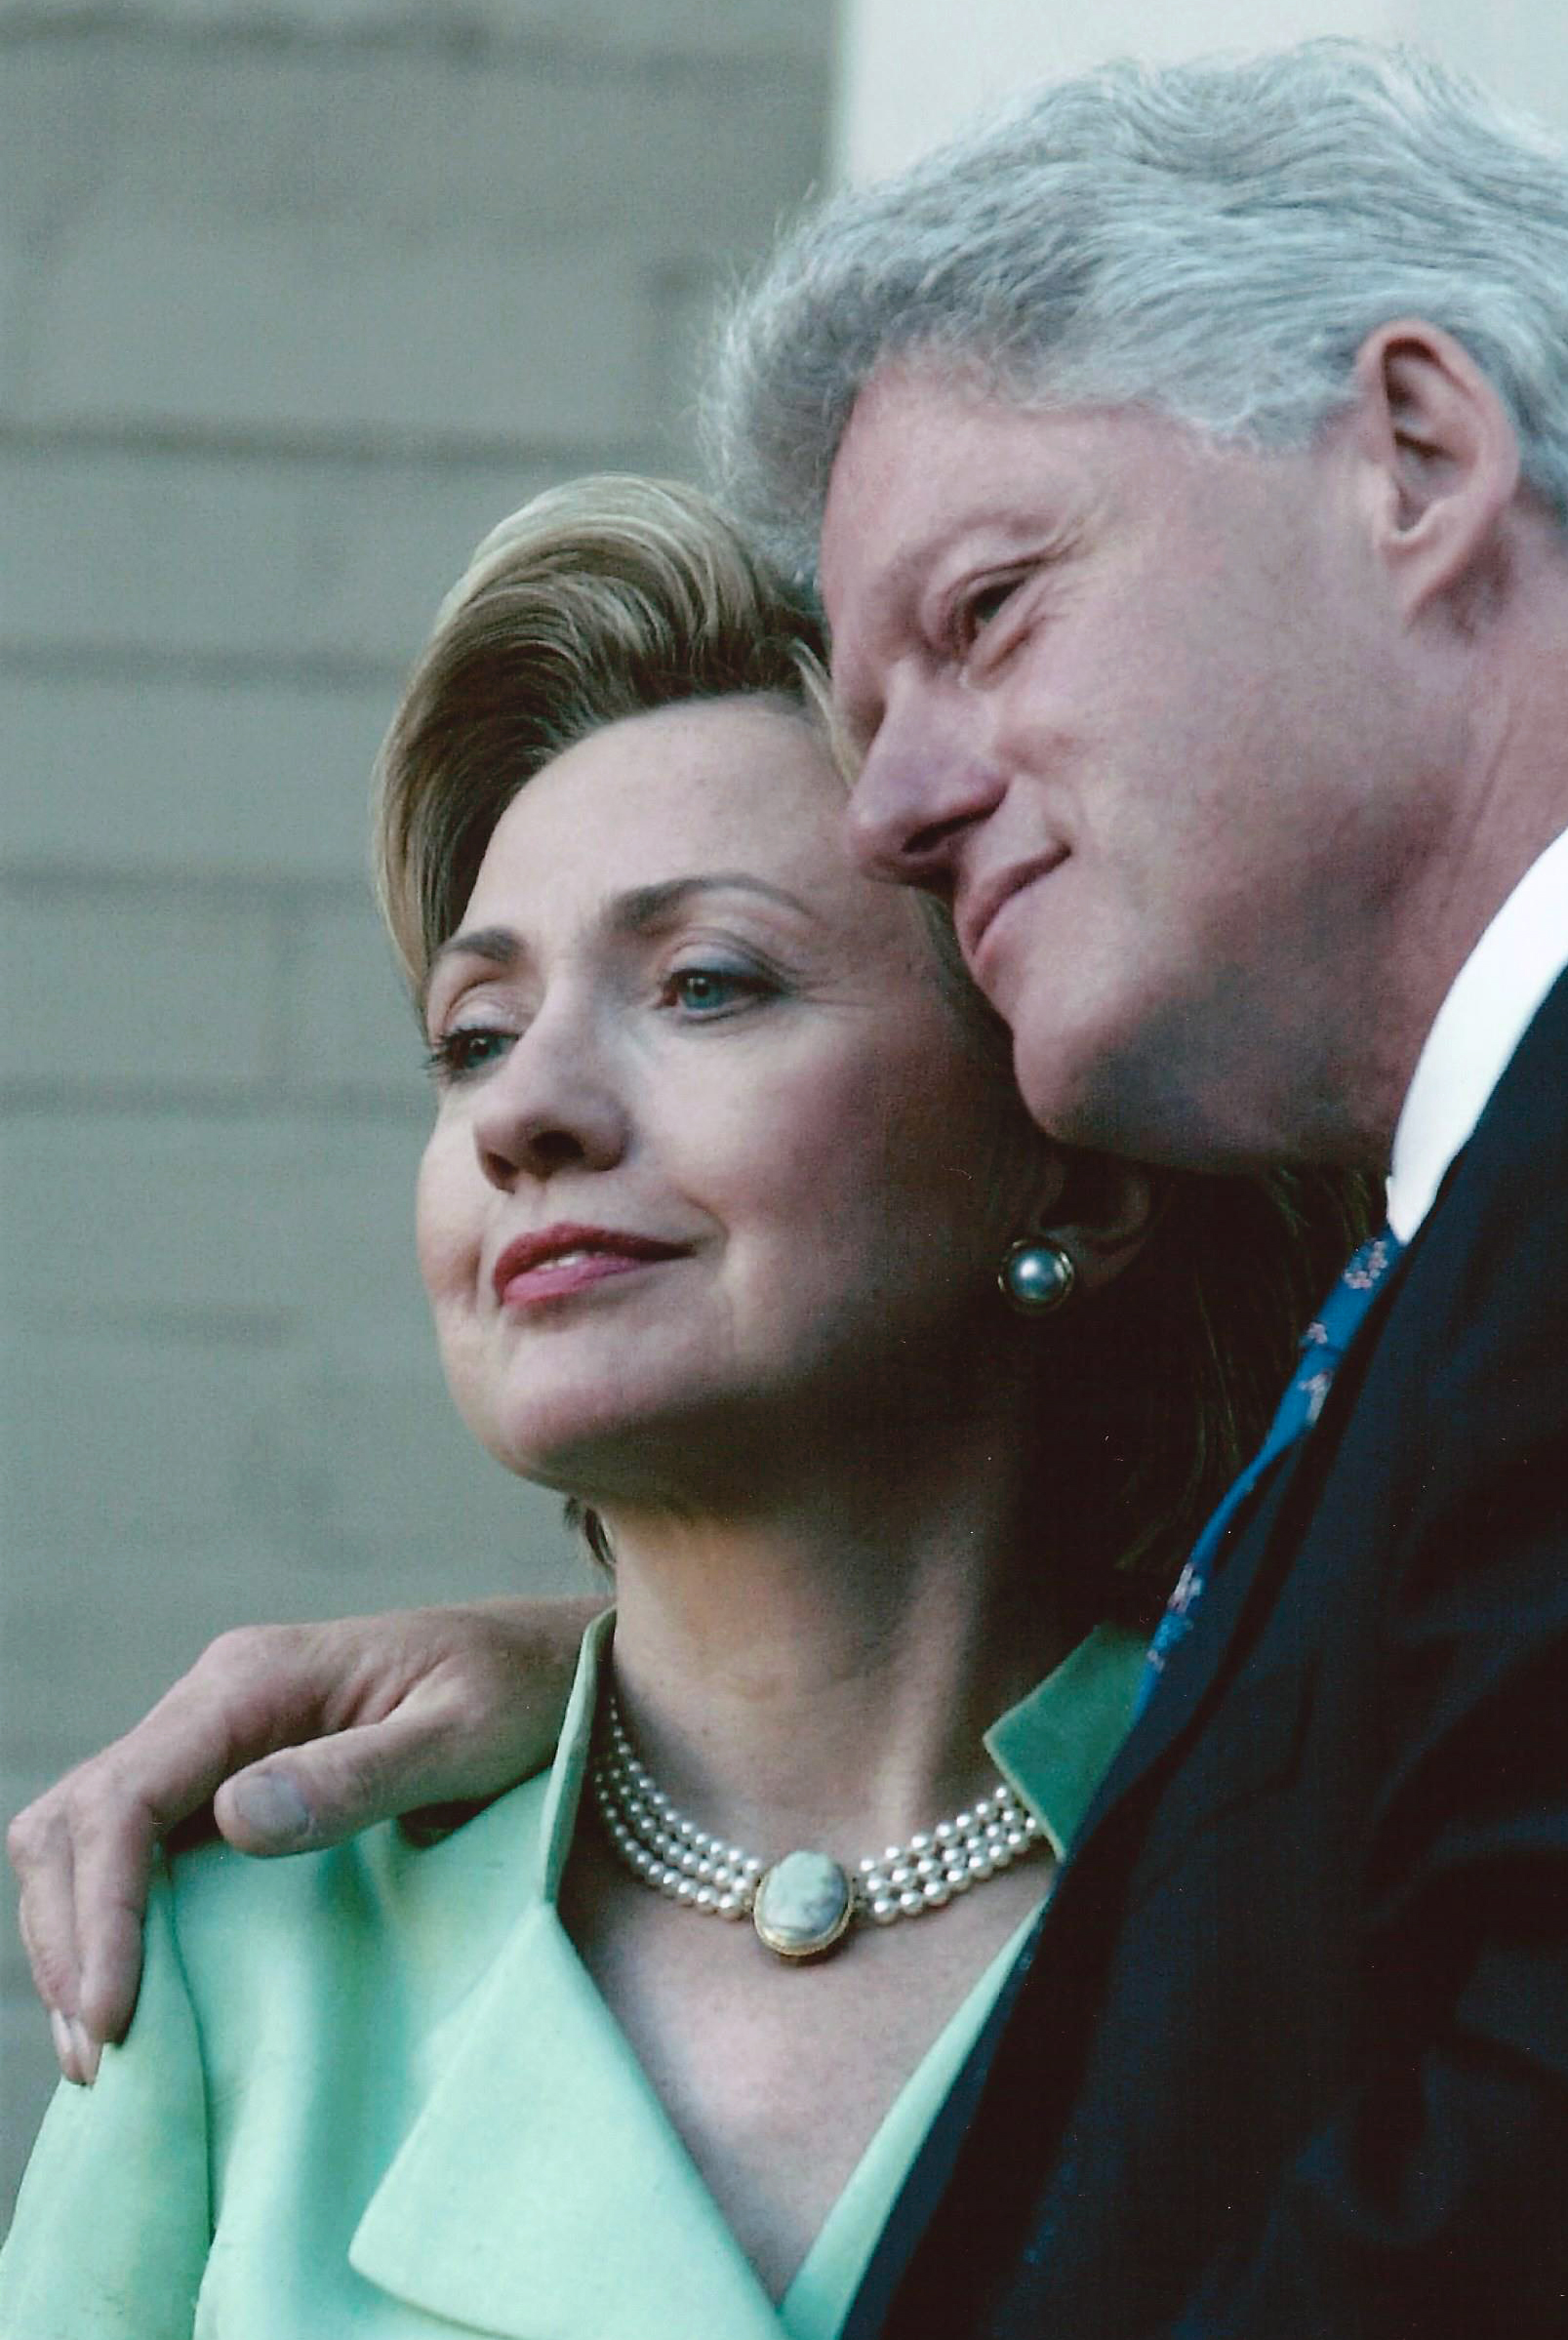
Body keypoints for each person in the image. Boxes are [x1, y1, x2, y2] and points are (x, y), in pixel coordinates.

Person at [14, 38, 1568, 2336]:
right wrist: (652, 1701)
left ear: (1419, 457)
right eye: (466, 1032)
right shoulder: (1531, 1237)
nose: (905, 806)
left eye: (985, 611)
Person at [0, 475, 1354, 2335]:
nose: (519, 1111)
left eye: (704, 983)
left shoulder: (1354, 1898)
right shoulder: (253, 1976)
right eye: (473, 1032)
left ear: (1076, 1160)